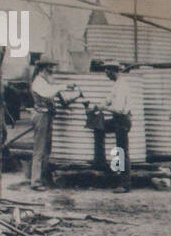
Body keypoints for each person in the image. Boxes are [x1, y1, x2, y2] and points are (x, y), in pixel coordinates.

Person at [29, 57, 80, 191]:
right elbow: (48, 93)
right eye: (49, 68)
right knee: (39, 150)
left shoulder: (46, 82)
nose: (52, 70)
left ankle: (44, 177)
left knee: (47, 149)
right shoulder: (38, 82)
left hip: (47, 116)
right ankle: (35, 181)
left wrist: (76, 95)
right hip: (41, 115)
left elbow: (62, 99)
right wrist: (64, 86)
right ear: (42, 69)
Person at [92, 61, 133, 192]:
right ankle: (101, 163)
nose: (106, 74)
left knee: (121, 150)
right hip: (117, 119)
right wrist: (97, 105)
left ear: (113, 71)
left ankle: (125, 184)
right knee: (98, 127)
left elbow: (119, 109)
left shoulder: (122, 86)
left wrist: (103, 107)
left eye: (107, 72)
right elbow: (109, 99)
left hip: (122, 120)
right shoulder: (116, 85)